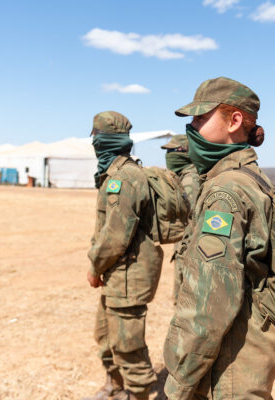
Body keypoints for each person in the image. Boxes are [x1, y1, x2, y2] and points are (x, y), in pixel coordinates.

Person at [163, 77, 275, 400]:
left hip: (228, 366)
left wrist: (180, 382)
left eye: (201, 118)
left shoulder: (225, 191)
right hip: (246, 355)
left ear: (234, 122)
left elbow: (209, 303)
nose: (191, 127)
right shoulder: (249, 176)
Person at [84, 111, 163, 400]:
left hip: (129, 276)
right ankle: (115, 387)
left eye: (95, 137)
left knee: (128, 345)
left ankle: (139, 393)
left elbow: (115, 237)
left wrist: (95, 267)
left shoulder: (124, 178)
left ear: (103, 140)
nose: (93, 142)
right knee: (106, 337)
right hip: (118, 274)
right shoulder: (112, 174)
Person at [161, 135, 201, 304]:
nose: (169, 155)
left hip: (189, 251)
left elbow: (192, 219)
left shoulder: (191, 180)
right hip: (184, 248)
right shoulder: (183, 177)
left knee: (184, 301)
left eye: (173, 150)